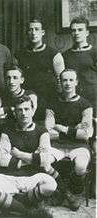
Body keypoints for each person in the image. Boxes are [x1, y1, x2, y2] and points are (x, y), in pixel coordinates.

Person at [0, 96, 56, 218]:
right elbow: (4, 161)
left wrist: (19, 155)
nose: (23, 113)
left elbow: (45, 160)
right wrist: (34, 158)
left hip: (32, 177)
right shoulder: (7, 130)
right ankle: (26, 212)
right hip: (10, 176)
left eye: (27, 109)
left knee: (51, 184)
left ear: (32, 110)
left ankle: (12, 203)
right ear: (15, 113)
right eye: (19, 110)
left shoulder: (42, 131)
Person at [45, 69, 93, 211]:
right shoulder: (52, 103)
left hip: (79, 146)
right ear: (60, 82)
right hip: (56, 145)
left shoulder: (85, 105)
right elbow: (49, 130)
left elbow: (85, 134)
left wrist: (62, 129)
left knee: (81, 166)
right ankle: (67, 194)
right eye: (64, 80)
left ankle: (68, 191)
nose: (68, 83)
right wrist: (73, 130)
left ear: (76, 82)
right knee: (44, 162)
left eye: (71, 80)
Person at [16, 19, 65, 110]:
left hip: (49, 98)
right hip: (27, 100)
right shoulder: (19, 54)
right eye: (30, 30)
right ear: (27, 33)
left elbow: (61, 80)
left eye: (37, 29)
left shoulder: (54, 54)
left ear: (43, 32)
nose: (34, 33)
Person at [62, 16, 97, 119]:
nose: (76, 33)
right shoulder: (65, 55)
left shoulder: (95, 52)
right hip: (74, 99)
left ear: (87, 32)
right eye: (73, 30)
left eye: (80, 30)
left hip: (93, 98)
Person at [0, 64, 38, 131]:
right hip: (8, 130)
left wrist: (2, 114)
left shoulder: (30, 95)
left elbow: (29, 115)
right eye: (8, 78)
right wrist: (9, 109)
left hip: (24, 130)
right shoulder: (2, 95)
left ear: (22, 80)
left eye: (15, 78)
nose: (11, 82)